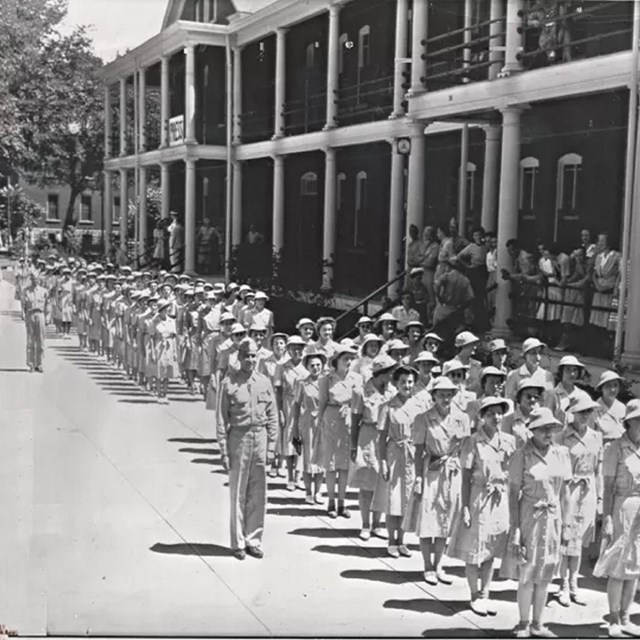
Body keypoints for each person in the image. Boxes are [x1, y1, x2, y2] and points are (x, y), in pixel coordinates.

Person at [502, 407, 570, 639]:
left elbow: (564, 493)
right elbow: (512, 494)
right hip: (529, 516)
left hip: (553, 518)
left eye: (551, 428)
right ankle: (523, 622)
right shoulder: (521, 455)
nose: (548, 432)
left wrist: (566, 526)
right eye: (542, 428)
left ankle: (538, 624)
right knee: (527, 572)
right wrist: (515, 529)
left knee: (546, 571)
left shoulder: (562, 453)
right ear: (532, 430)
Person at [447, 396, 515, 616]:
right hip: (478, 497)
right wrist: (465, 507)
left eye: (498, 413)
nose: (495, 417)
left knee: (491, 549)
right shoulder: (472, 441)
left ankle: (486, 593)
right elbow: (465, 476)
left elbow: (512, 472)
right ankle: (474, 595)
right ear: (482, 417)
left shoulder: (508, 440)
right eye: (490, 413)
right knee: (474, 550)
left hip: (499, 499)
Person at [217, 338, 279, 560]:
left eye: (254, 356)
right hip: (239, 438)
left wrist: (272, 447)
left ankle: (254, 539)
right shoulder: (229, 383)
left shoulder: (264, 382)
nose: (250, 360)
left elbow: (273, 416)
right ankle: (238, 543)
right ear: (239, 357)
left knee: (258, 492)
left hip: (260, 438)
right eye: (246, 356)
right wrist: (223, 450)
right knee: (239, 492)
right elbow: (221, 419)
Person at [410, 375, 471, 585]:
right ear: (433, 396)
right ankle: (427, 565)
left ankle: (439, 565)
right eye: (441, 394)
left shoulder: (462, 418)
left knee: (446, 519)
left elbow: (465, 448)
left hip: (452, 472)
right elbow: (418, 450)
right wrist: (418, 476)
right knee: (428, 519)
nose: (445, 398)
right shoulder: (423, 418)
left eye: (449, 394)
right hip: (431, 471)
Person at [595, 402, 640, 638]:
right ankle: (613, 619)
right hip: (622, 508)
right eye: (638, 419)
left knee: (635, 567)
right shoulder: (615, 448)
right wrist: (608, 518)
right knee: (618, 565)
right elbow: (609, 485)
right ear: (629, 422)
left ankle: (626, 617)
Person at [555, 396, 603, 608]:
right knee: (567, 539)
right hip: (569, 490)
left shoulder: (596, 436)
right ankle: (563, 584)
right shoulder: (562, 437)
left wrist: (600, 497)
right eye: (581, 411)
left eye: (589, 411)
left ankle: (575, 583)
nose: (585, 415)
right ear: (572, 412)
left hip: (588, 490)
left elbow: (599, 471)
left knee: (580, 538)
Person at [350, 354, 396, 541]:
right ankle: (365, 524)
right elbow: (355, 421)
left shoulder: (392, 392)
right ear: (381, 374)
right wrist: (353, 446)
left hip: (386, 437)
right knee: (367, 483)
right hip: (368, 436)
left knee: (383, 482)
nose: (392, 376)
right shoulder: (361, 391)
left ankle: (378, 523)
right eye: (389, 372)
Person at [378, 365, 421, 557]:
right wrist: (383, 462)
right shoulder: (388, 406)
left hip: (412, 455)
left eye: (410, 381)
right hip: (394, 453)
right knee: (393, 499)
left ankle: (402, 540)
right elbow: (381, 438)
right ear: (395, 383)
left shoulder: (420, 406)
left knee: (407, 500)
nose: (407, 385)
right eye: (403, 381)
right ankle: (391, 541)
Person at [314, 345, 360, 519]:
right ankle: (331, 502)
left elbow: (359, 402)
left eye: (350, 358)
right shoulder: (327, 379)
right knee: (332, 465)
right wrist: (320, 424)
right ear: (336, 361)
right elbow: (323, 402)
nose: (348, 362)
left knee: (345, 465)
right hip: (331, 420)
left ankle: (342, 502)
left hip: (349, 421)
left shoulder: (357, 378)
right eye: (344, 358)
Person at [274, 336, 308, 492]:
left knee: (303, 440)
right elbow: (278, 391)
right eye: (293, 348)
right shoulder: (282, 367)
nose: (297, 351)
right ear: (288, 349)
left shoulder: (308, 366)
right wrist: (280, 410)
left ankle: (299, 475)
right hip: (288, 405)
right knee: (289, 440)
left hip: (305, 407)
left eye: (300, 347)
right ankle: (289, 477)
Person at [291, 351, 326, 504]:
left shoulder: (326, 382)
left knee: (321, 457)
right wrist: (295, 427)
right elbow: (297, 405)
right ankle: (308, 492)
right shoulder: (302, 383)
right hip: (307, 422)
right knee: (307, 457)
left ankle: (318, 491)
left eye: (318, 365)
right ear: (307, 367)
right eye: (312, 365)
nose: (315, 368)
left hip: (323, 421)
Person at [433, 259, 474, 349]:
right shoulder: (465, 280)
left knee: (437, 330)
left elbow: (436, 286)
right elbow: (470, 297)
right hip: (456, 308)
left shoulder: (447, 276)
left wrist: (439, 298)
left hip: (444, 307)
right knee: (452, 333)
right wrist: (462, 305)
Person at [590, 233, 621, 334]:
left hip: (610, 290)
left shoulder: (617, 256)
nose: (600, 243)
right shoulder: (598, 256)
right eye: (599, 241)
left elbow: (621, 273)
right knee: (598, 318)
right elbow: (594, 273)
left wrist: (615, 286)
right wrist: (597, 285)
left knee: (608, 318)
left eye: (602, 241)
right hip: (599, 290)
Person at [502, 379, 545, 448]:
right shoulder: (508, 420)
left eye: (536, 397)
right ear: (519, 398)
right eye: (529, 396)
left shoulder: (543, 419)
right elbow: (504, 445)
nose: (533, 400)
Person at [152, 299, 179, 404]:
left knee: (167, 371)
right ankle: (159, 394)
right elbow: (151, 337)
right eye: (164, 309)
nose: (166, 310)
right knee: (159, 371)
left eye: (167, 308)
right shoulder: (155, 321)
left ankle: (165, 393)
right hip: (159, 346)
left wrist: (175, 352)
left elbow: (174, 337)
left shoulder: (172, 321)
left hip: (169, 347)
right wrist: (153, 352)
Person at [23, 273, 49, 373]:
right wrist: (23, 314)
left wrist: (47, 317)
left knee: (40, 340)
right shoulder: (26, 291)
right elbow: (23, 305)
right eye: (33, 279)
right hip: (30, 314)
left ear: (39, 280)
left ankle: (39, 364)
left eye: (37, 279)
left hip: (40, 314)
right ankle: (31, 364)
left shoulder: (44, 291)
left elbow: (48, 304)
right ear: (31, 279)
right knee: (30, 340)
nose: (35, 280)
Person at [594, 370, 626, 444]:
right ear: (602, 388)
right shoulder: (594, 409)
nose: (613, 389)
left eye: (615, 385)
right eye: (608, 386)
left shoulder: (622, 407)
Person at [421, 226, 440, 324]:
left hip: (430, 273)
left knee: (431, 296)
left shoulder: (435, 246)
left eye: (428, 233)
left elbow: (430, 262)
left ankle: (431, 319)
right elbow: (418, 258)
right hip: (422, 273)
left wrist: (422, 261)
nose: (426, 235)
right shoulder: (424, 245)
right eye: (425, 232)